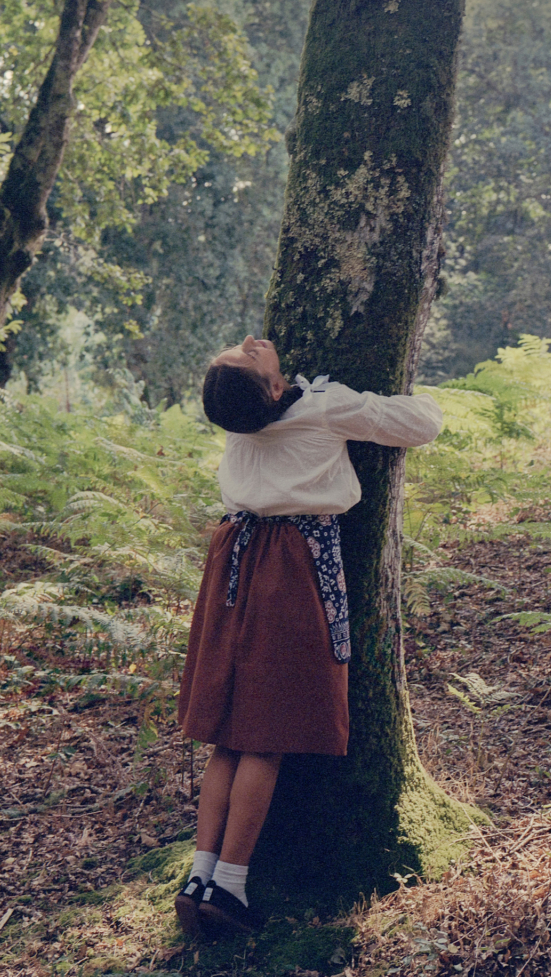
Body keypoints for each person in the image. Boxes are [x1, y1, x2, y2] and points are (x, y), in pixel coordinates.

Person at [175, 334, 443, 938]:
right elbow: (417, 423)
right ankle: (231, 885)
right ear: (274, 389)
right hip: (291, 563)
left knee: (228, 735)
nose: (249, 341)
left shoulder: (241, 419)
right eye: (246, 357)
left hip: (232, 562)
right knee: (266, 733)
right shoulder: (321, 405)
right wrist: (429, 395)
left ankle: (199, 877)